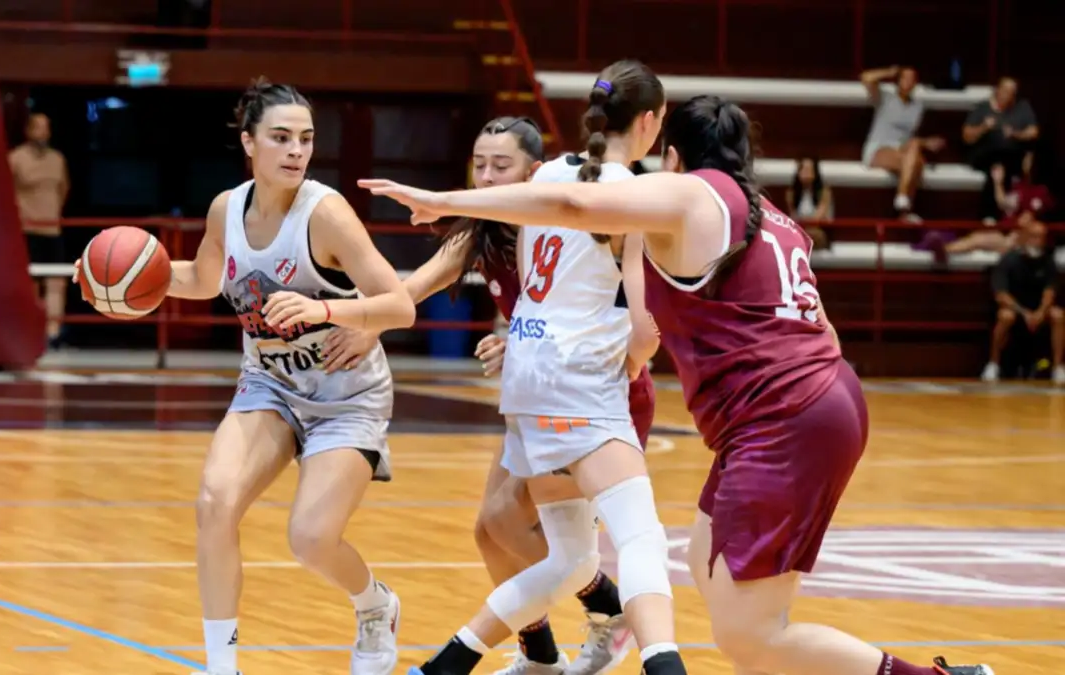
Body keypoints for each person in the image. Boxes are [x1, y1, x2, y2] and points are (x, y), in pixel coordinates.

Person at [361, 94, 996, 675]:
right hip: (813, 398)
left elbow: (574, 207)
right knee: (699, 559)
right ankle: (587, 631)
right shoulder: (771, 215)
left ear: (670, 154)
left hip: (778, 414)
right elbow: (823, 328)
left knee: (748, 636)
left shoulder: (693, 195)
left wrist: (446, 201)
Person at [83, 78, 417, 675]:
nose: (297, 150)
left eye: (306, 139)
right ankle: (222, 667)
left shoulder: (326, 214)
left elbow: (400, 306)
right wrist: (124, 278)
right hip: (270, 384)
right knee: (215, 501)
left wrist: (324, 309)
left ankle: (375, 605)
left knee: (310, 539)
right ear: (249, 142)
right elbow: (203, 279)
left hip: (346, 394)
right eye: (281, 137)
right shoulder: (226, 209)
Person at [367, 59, 687, 675]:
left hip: (530, 382)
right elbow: (646, 329)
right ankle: (658, 660)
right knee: (637, 538)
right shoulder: (629, 193)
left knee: (563, 555)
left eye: (498, 165)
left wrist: (440, 202)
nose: (490, 176)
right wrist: (631, 359)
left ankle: (452, 666)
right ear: (651, 122)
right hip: (585, 383)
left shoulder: (553, 176)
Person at [9, 112, 70, 349]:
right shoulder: (15, 158)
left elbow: (63, 189)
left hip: (52, 230)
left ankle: (53, 332)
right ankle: (30, 330)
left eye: (46, 128)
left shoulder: (57, 159)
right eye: (38, 128)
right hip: (27, 229)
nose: (42, 133)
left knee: (56, 282)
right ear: (28, 131)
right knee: (30, 282)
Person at [981, 218, 1064, 385]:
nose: (1038, 241)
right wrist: (1024, 313)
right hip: (1016, 309)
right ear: (1024, 237)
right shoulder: (1009, 260)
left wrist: (1040, 312)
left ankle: (1058, 367)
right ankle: (993, 364)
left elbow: (1049, 292)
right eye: (1034, 236)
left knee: (1059, 315)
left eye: (1042, 237)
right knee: (1006, 316)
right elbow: (1001, 295)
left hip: (1038, 310)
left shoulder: (1048, 261)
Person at [859, 66, 945, 223]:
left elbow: (910, 139)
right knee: (916, 163)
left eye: (912, 79)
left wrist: (926, 142)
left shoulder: (918, 107)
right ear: (898, 81)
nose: (908, 82)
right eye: (905, 78)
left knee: (915, 150)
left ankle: (902, 199)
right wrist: (889, 72)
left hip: (902, 150)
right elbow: (866, 78)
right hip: (879, 149)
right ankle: (904, 210)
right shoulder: (886, 98)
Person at [962, 77, 1039, 224]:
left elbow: (1034, 132)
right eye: (1005, 90)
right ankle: (990, 214)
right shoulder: (982, 108)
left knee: (1004, 165)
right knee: (997, 166)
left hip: (1012, 155)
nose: (1007, 94)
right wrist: (984, 127)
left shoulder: (1023, 107)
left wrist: (1016, 134)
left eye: (1011, 92)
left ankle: (1000, 217)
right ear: (997, 90)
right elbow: (967, 136)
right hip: (984, 154)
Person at [784, 156, 832, 250]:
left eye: (809, 170)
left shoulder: (824, 192)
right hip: (799, 229)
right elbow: (793, 217)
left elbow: (818, 217)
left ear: (815, 172)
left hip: (817, 230)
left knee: (816, 236)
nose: (806, 173)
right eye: (803, 169)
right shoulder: (791, 193)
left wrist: (806, 224)